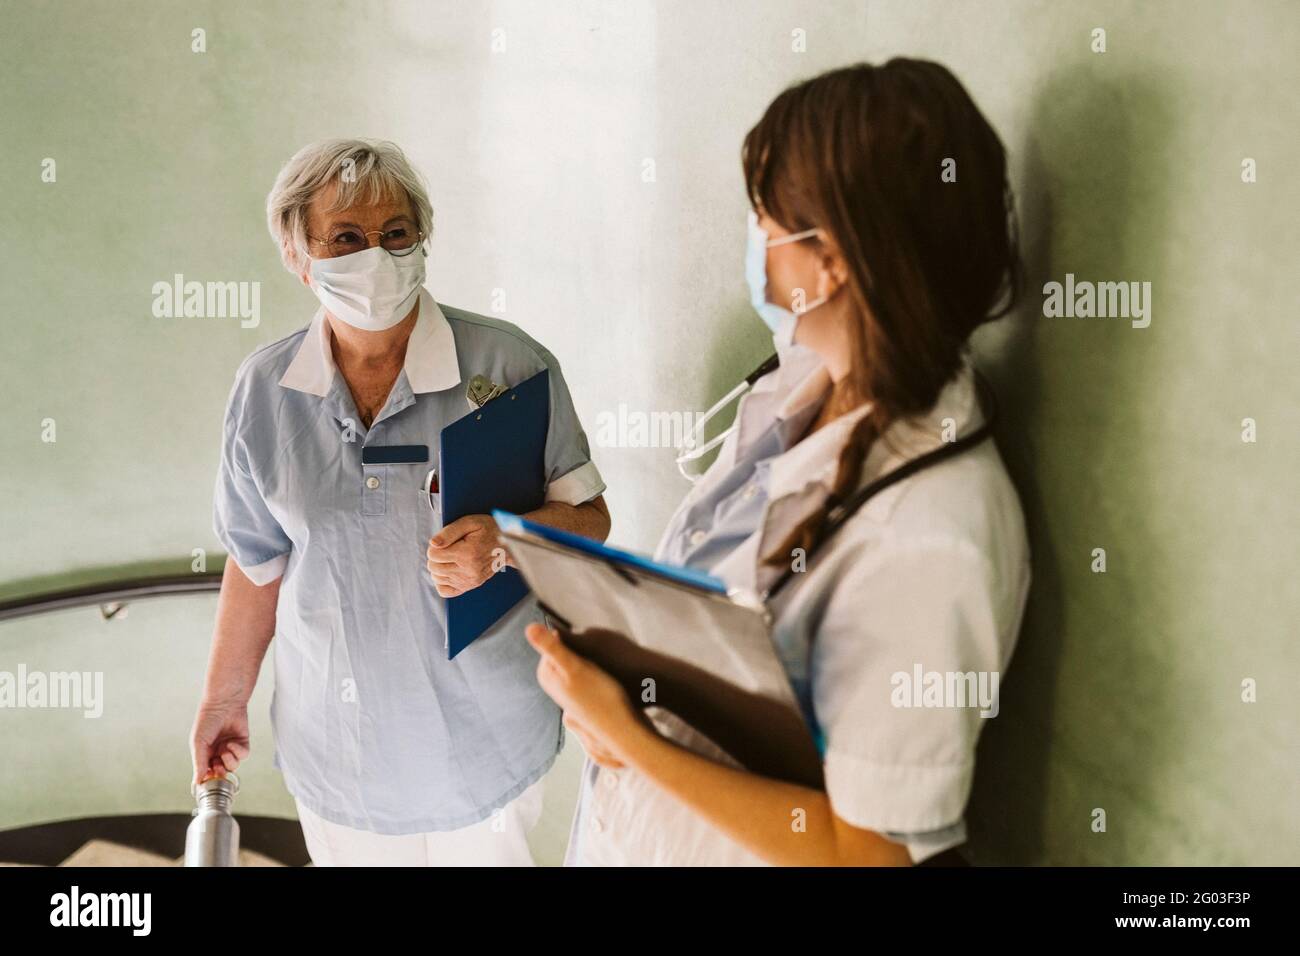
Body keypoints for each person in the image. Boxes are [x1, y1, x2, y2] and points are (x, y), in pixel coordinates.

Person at [526, 60, 1030, 865]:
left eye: (763, 217)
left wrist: (633, 736)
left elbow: (871, 855)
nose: (754, 238)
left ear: (831, 260)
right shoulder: (802, 381)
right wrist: (627, 706)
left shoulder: (932, 533)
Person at [190, 138, 609, 866]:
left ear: (422, 240)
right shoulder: (265, 392)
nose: (376, 257)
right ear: (298, 255)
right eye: (346, 238)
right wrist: (223, 701)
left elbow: (591, 523)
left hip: (484, 736)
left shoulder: (507, 367)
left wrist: (507, 539)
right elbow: (256, 565)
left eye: (396, 234)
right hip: (336, 745)